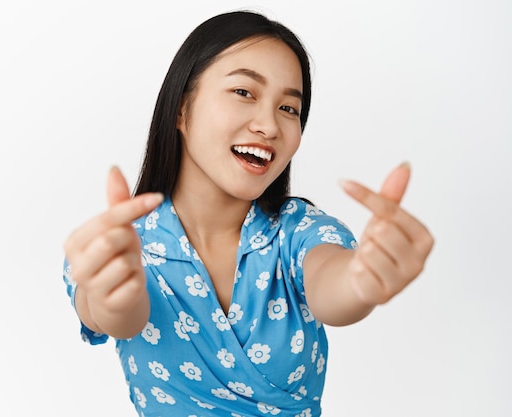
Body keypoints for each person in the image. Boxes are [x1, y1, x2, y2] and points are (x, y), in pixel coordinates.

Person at [62, 10, 433, 417]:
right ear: (181, 109)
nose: (269, 125)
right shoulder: (117, 245)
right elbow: (112, 314)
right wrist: (113, 298)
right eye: (244, 92)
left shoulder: (299, 232)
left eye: (289, 108)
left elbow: (335, 283)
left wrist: (364, 280)